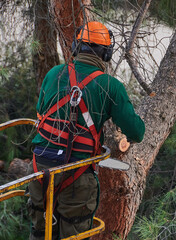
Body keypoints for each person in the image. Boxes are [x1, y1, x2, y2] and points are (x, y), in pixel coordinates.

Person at [27, 21, 145, 239]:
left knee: (40, 232)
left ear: (75, 47)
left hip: (39, 168)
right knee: (74, 234)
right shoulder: (111, 86)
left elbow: (40, 113)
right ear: (106, 54)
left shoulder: (54, 73)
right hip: (77, 175)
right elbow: (136, 132)